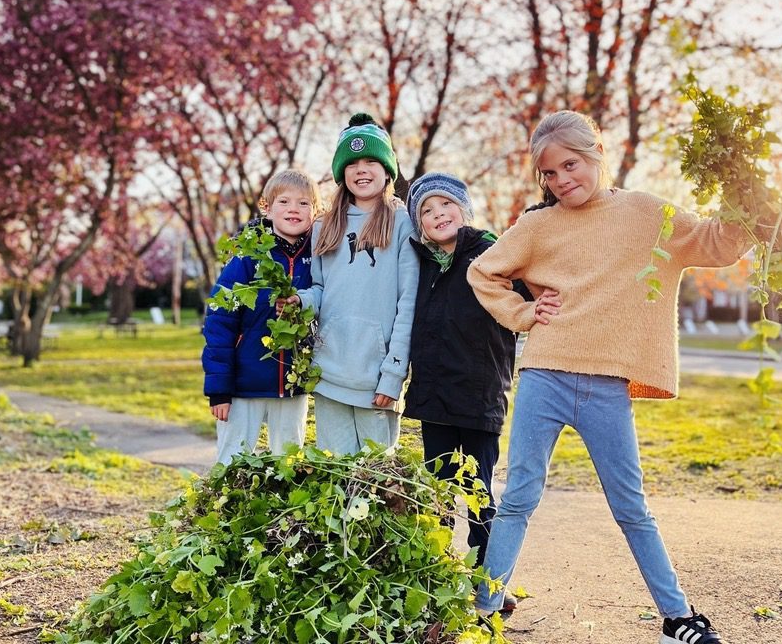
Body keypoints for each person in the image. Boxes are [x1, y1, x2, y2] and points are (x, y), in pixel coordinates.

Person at [467, 110, 747, 644]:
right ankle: (483, 608)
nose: (561, 180)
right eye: (548, 174)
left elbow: (716, 243)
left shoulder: (646, 213)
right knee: (520, 495)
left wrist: (748, 197)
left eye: (570, 165)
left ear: (597, 153)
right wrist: (525, 314)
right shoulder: (537, 226)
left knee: (631, 506)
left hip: (606, 386)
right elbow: (483, 271)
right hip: (545, 376)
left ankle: (677, 618)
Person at [403, 172, 529, 585]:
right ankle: (436, 576)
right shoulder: (419, 265)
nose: (438, 214)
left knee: (478, 493)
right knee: (437, 491)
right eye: (426, 210)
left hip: (480, 394)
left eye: (446, 205)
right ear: (419, 224)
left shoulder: (491, 252)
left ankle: (487, 581)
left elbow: (529, 295)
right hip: (434, 397)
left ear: (463, 209)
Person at [285, 113, 418, 454]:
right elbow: (320, 290)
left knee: (374, 484)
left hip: (375, 379)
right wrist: (301, 301)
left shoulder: (402, 223)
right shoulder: (323, 227)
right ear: (341, 172)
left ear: (388, 169)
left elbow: (408, 305)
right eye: (353, 162)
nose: (362, 169)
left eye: (372, 161)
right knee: (337, 479)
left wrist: (394, 374)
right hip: (329, 374)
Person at [202, 168, 318, 464]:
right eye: (284, 202)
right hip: (244, 384)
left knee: (288, 463)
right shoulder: (246, 258)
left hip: (292, 385)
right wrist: (219, 389)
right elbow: (219, 322)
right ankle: (226, 509)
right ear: (266, 208)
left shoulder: (320, 256)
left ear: (316, 211)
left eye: (304, 203)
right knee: (232, 462)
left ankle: (284, 512)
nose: (294, 208)